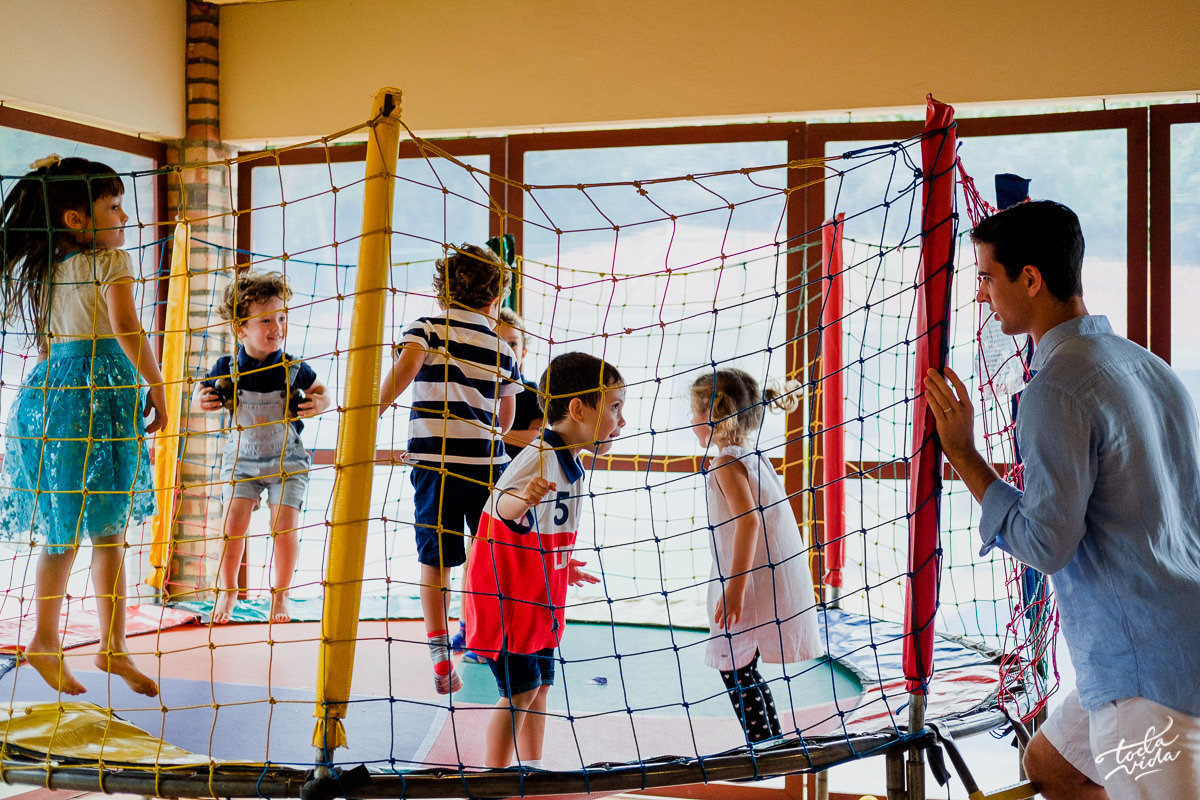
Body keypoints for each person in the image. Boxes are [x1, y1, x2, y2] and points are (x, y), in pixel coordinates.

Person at [923, 200, 1200, 799]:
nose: (981, 296)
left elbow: (1047, 545)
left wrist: (964, 456)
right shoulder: (1151, 368)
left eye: (987, 278)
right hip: (1181, 635)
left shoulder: (1056, 389)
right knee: (1052, 766)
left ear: (1031, 279)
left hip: (1145, 679)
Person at [0, 156, 165, 697]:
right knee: (102, 528)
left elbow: (50, 345)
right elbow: (126, 328)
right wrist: (158, 388)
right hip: (96, 402)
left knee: (71, 528)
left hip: (52, 399)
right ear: (76, 219)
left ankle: (89, 642)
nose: (124, 217)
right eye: (114, 206)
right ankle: (77, 642)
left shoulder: (46, 270)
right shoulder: (110, 261)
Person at [463, 351, 624, 768]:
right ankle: (491, 782)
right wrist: (523, 497)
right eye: (614, 408)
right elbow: (499, 509)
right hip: (508, 600)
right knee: (518, 692)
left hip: (540, 596)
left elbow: (540, 529)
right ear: (577, 409)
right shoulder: (540, 455)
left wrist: (563, 564)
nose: (621, 422)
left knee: (540, 688)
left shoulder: (571, 461)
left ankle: (532, 769)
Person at [378, 243, 522, 694]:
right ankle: (492, 637)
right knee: (489, 557)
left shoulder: (427, 327)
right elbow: (506, 418)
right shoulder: (501, 345)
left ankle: (441, 656)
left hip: (437, 466)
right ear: (495, 298)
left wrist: (372, 411)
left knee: (435, 562)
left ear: (442, 292)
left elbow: (405, 369)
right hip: (486, 467)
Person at [688, 368, 821, 743]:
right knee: (743, 668)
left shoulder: (726, 463)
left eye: (695, 413)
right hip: (763, 575)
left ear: (716, 415)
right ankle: (769, 740)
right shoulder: (749, 455)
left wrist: (735, 588)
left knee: (735, 668)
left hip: (750, 580)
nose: (692, 422)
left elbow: (749, 524)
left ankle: (764, 744)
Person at [196, 271, 329, 624]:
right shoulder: (227, 368)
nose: (278, 326)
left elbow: (323, 393)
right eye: (267, 319)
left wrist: (319, 404)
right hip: (242, 460)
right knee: (233, 523)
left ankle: (280, 595)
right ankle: (227, 591)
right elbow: (201, 392)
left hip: (287, 460)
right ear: (241, 328)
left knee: (284, 526)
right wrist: (203, 399)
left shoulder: (292, 366)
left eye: (283, 317)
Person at [451, 306, 545, 665]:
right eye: (497, 341)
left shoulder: (533, 391)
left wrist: (499, 434)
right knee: (473, 556)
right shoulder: (474, 386)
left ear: (522, 351)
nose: (504, 348)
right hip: (479, 478)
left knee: (501, 559)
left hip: (516, 489)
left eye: (512, 343)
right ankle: (469, 626)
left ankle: (504, 629)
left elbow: (540, 435)